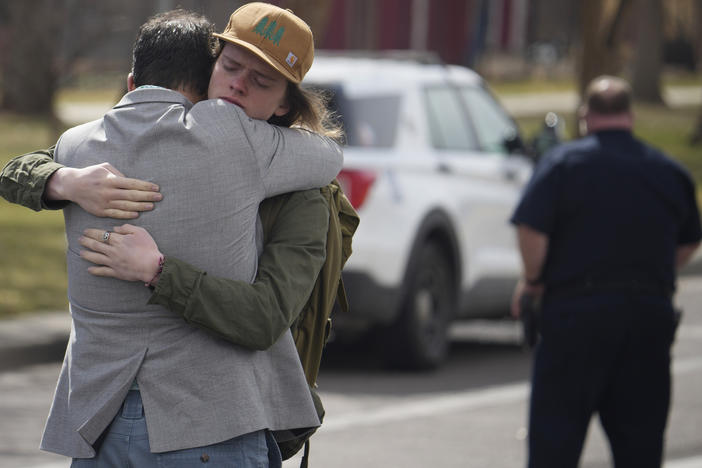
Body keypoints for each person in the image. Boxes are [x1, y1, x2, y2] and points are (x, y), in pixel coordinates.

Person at [1, 5, 344, 467]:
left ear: (285, 103)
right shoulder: (98, 152)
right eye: (230, 67)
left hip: (211, 422)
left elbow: (265, 317)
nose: (239, 85)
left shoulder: (299, 190)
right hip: (115, 424)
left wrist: (158, 272)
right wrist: (64, 181)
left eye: (261, 81)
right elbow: (17, 171)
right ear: (207, 74)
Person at [510, 75, 702, 468]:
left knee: (555, 445)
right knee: (640, 447)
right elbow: (689, 242)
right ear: (630, 115)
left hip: (575, 318)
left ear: (585, 116)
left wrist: (533, 281)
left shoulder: (562, 164)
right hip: (648, 318)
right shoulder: (669, 170)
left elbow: (531, 228)